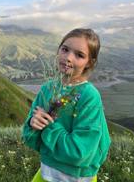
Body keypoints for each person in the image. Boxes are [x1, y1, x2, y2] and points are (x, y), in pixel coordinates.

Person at [22, 28, 111, 182]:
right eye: (65, 49)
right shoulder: (47, 89)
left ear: (90, 62)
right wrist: (33, 124)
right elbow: (29, 139)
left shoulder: (89, 96)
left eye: (79, 55)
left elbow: (80, 153)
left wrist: (48, 126)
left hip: (77, 177)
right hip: (47, 172)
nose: (68, 57)